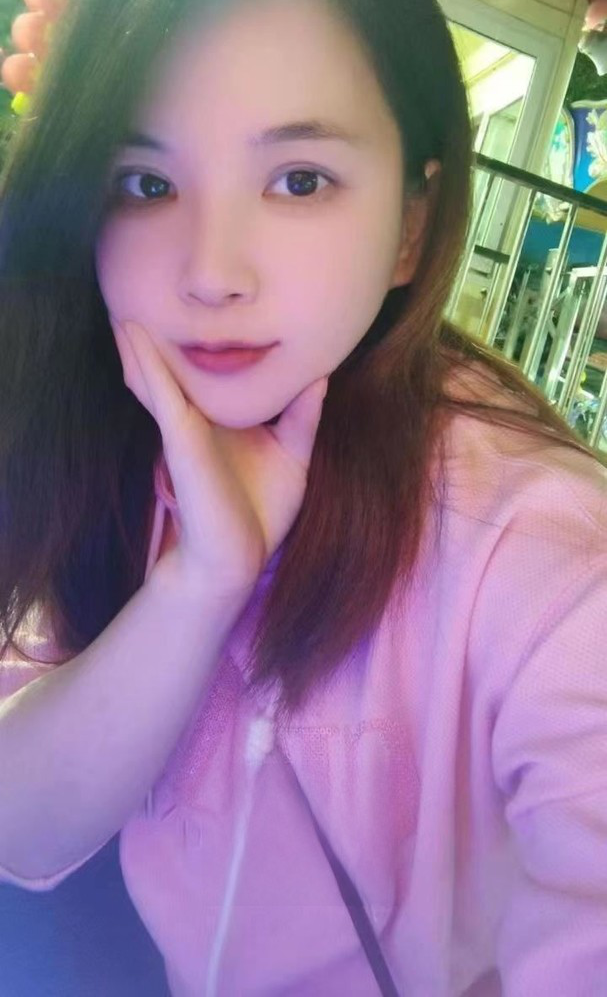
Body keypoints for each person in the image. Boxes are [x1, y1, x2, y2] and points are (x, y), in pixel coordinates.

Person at [0, 0, 606, 994]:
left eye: (299, 180)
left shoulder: (542, 545)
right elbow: (20, 827)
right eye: (147, 183)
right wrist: (199, 583)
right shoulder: (114, 425)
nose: (211, 273)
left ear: (410, 226)